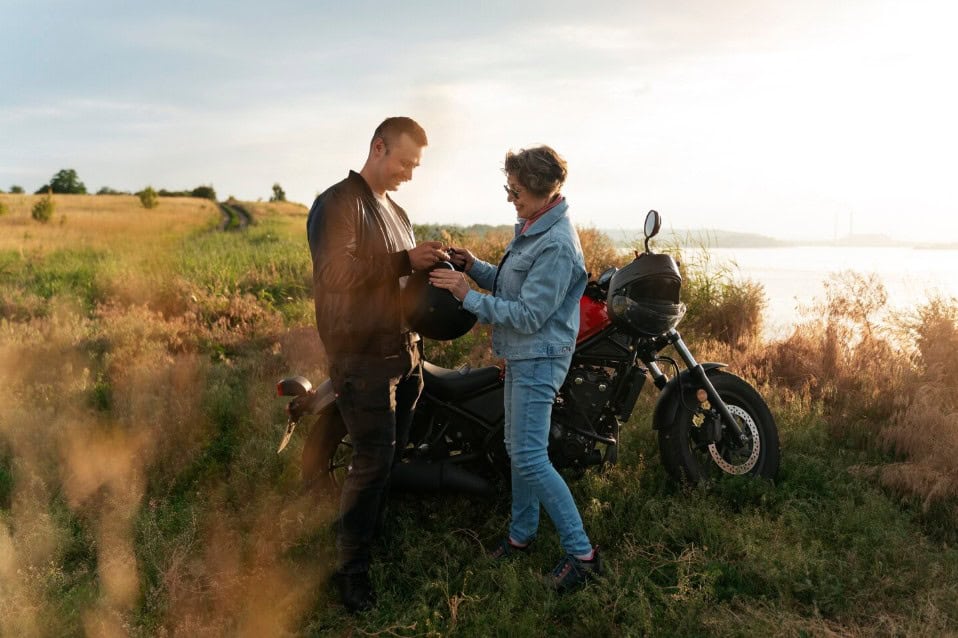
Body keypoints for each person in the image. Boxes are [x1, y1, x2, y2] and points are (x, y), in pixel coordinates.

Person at [429, 145, 601, 592]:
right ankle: (521, 536)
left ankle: (582, 554)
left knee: (529, 456)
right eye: (509, 188)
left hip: (540, 359)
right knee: (517, 450)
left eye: (517, 191)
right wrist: (476, 268)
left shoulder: (558, 245)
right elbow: (511, 284)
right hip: (523, 355)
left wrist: (465, 294)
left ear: (544, 192)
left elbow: (527, 314)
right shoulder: (533, 225)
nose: (511, 198)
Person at [306, 116, 449, 613]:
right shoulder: (337, 204)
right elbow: (336, 273)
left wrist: (433, 264)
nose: (409, 173)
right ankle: (351, 573)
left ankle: (368, 532)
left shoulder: (398, 210)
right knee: (370, 463)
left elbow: (401, 276)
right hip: (361, 355)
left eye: (416, 165)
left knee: (390, 455)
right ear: (377, 147)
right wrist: (404, 261)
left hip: (404, 352)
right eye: (404, 161)